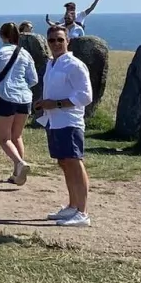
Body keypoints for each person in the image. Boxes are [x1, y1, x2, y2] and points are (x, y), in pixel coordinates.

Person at [37, 26, 93, 227]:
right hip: (54, 121)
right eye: (52, 40)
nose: (56, 44)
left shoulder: (74, 65)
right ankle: (72, 205)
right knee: (64, 163)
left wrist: (57, 103)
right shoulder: (52, 64)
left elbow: (85, 96)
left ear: (67, 40)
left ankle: (83, 212)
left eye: (60, 40)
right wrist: (45, 103)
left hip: (69, 121)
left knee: (75, 162)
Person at [0, 22, 39, 185]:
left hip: (5, 96)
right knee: (17, 135)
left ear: (2, 35)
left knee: (4, 138)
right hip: (25, 97)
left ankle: (20, 163)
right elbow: (33, 79)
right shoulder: (25, 54)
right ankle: (17, 173)